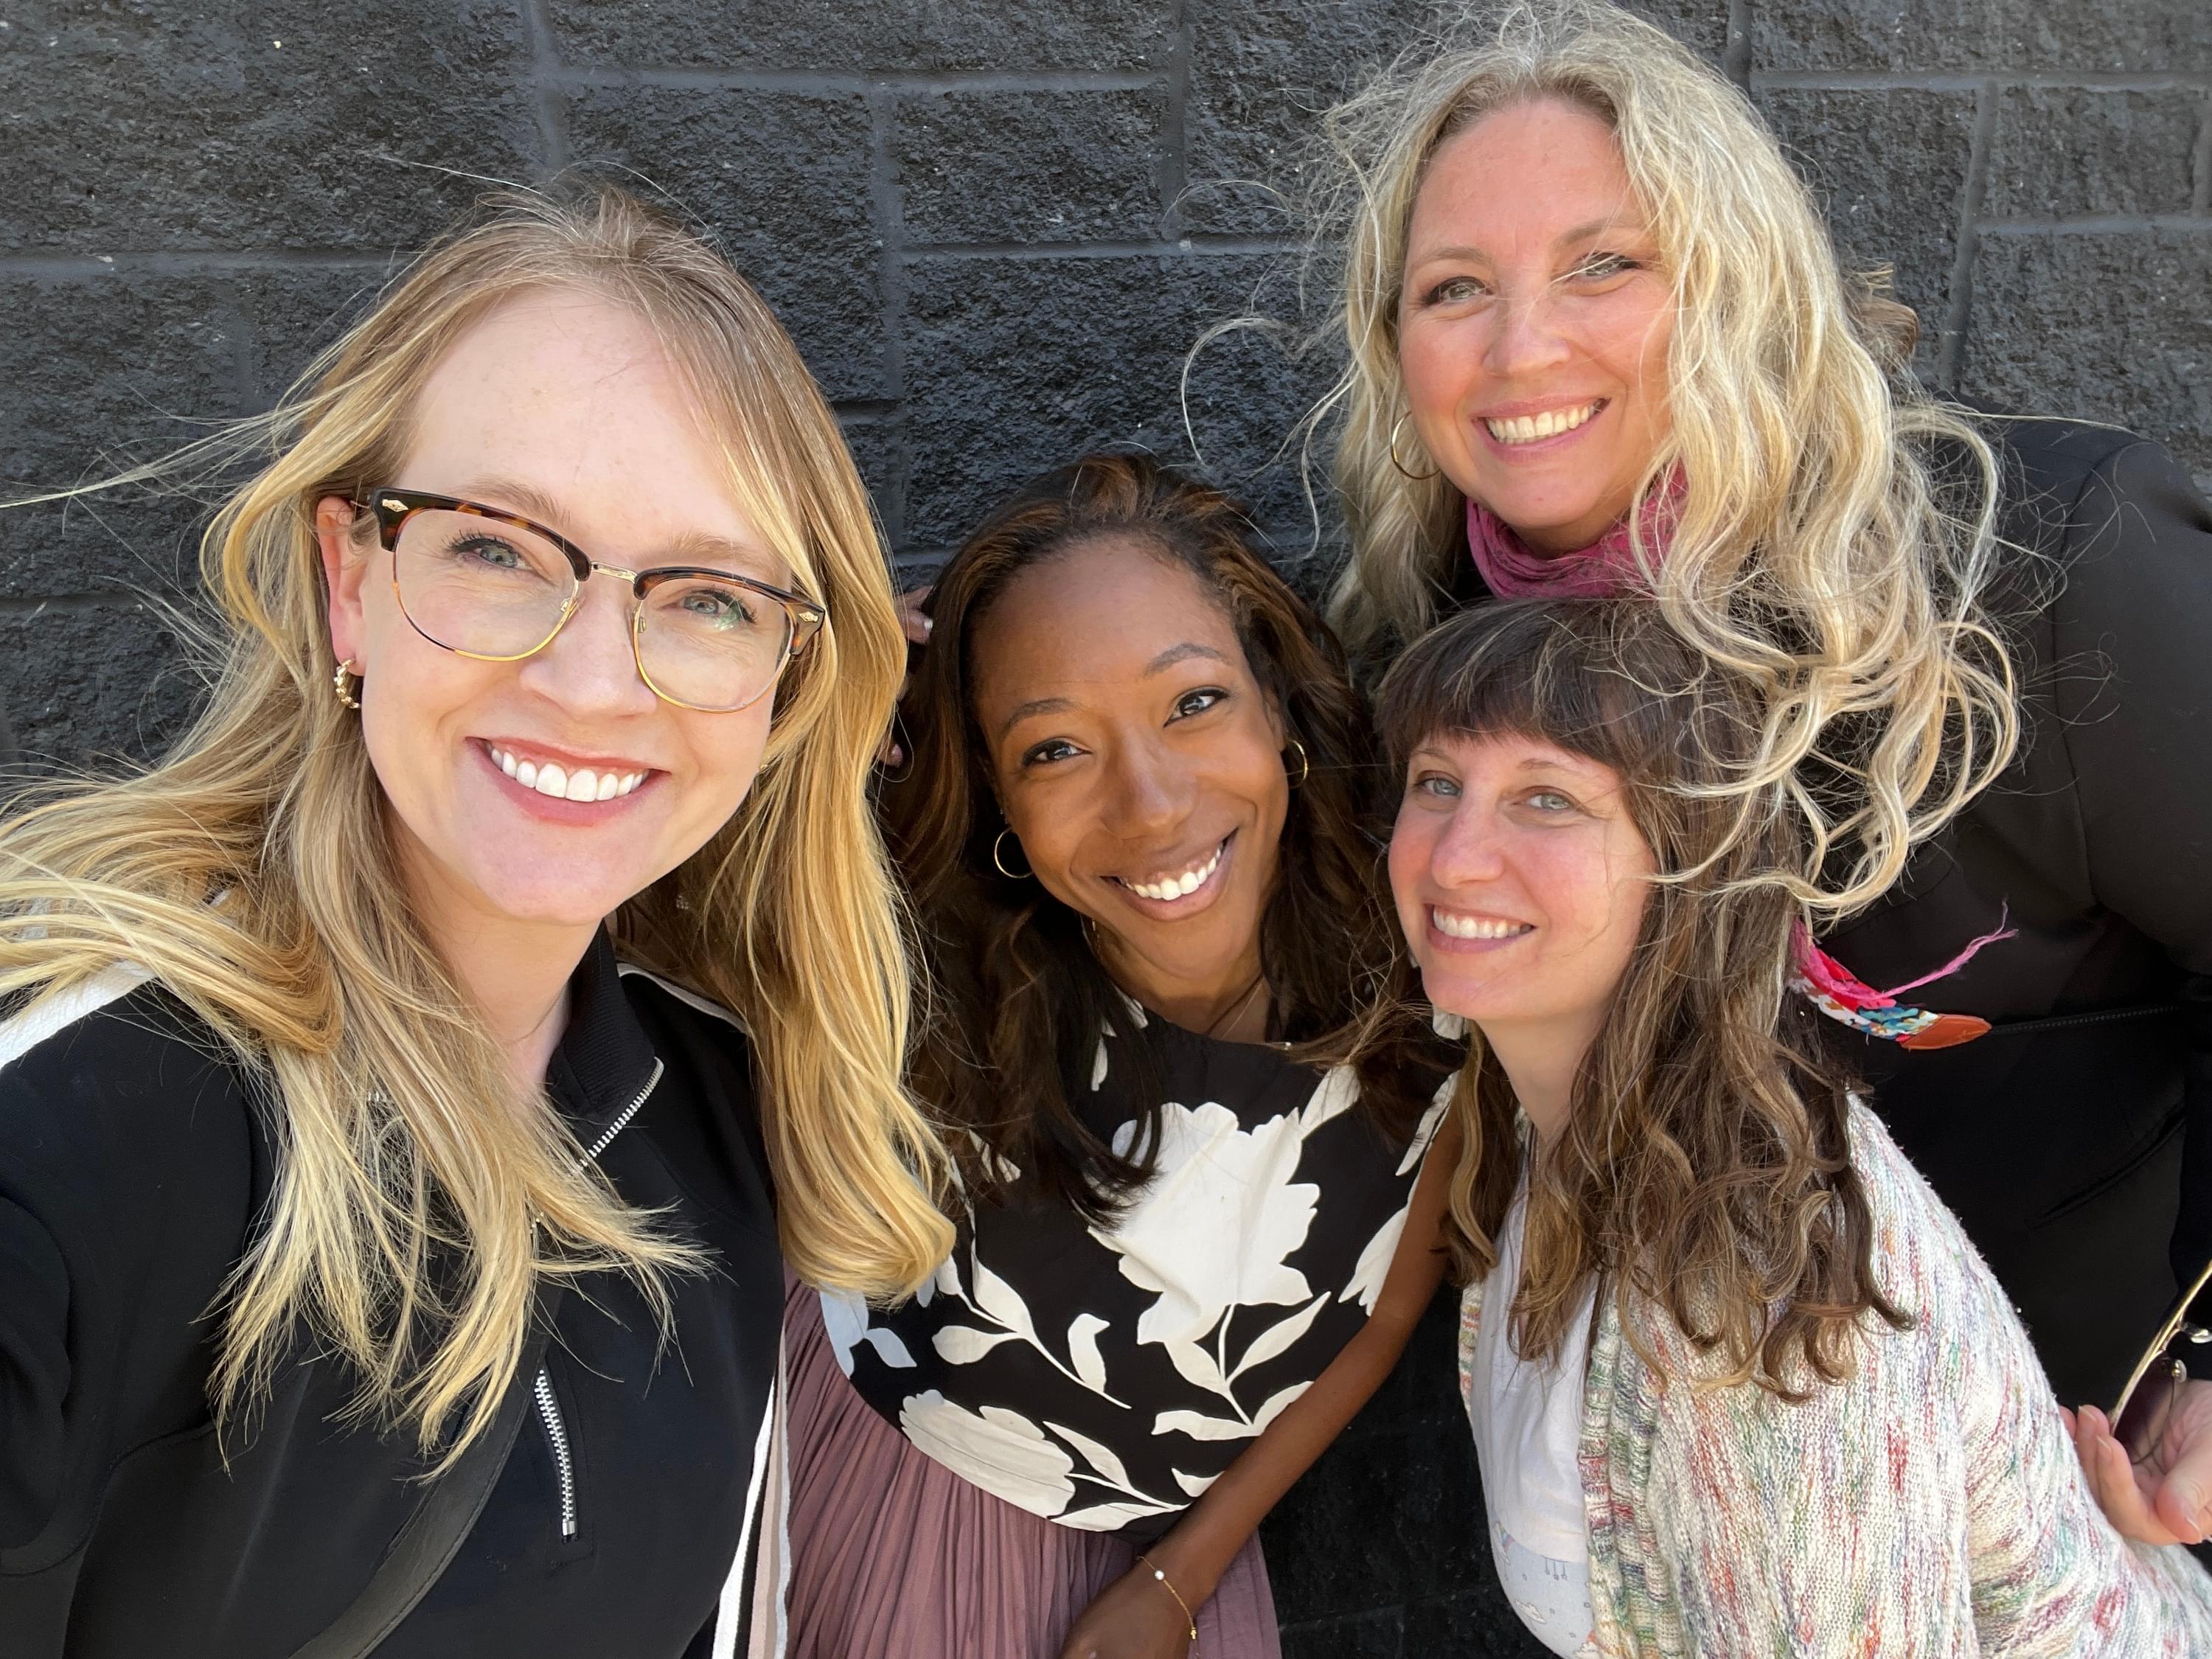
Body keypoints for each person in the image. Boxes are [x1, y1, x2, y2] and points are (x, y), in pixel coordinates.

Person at [0, 187, 950, 1658]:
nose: (593, 683)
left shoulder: (718, 1099)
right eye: (497, 549)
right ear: (350, 584)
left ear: (781, 681)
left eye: (706, 596)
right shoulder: (77, 1128)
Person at [1296, 0, 2212, 1525]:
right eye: (1455, 287)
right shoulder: (1424, 659)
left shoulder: (2040, 574)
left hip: (2057, 1505)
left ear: (1741, 283)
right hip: (1664, 1507)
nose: (1522, 347)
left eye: (1604, 263)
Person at [1379, 597, 2212, 1655]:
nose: (1455, 857)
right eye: (1437, 782)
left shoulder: (1758, 1319)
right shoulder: (1531, 1127)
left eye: (1548, 798)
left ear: (1693, 869)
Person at [779, 454, 1465, 1658]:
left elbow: (1387, 1305)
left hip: (1174, 1560)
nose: (1149, 804)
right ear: (995, 794)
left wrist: (1181, 1579)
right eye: (1054, 749)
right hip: (883, 1486)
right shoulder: (923, 961)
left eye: (1193, 702)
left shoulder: (1436, 976)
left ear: (1276, 705)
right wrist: (794, 692)